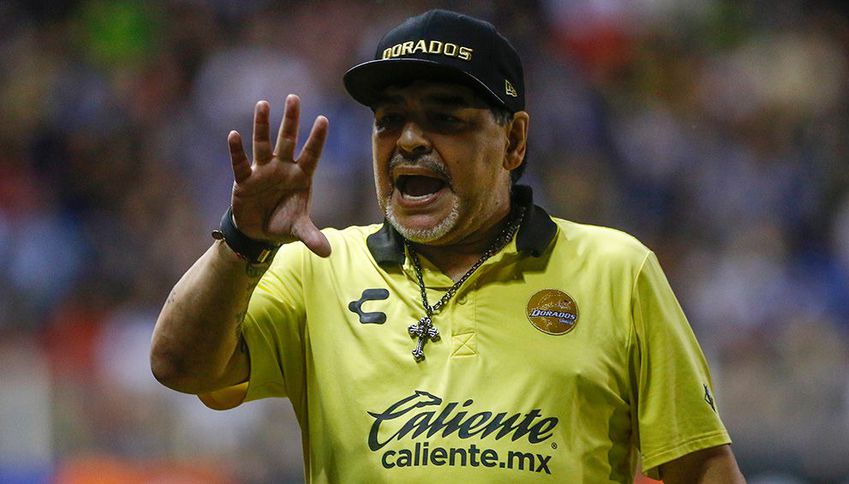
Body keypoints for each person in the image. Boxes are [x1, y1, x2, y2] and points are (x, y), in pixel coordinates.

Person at [151, 9, 745, 483]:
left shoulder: (617, 271)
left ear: (514, 141)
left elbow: (703, 469)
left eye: (446, 119)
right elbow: (179, 367)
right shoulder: (319, 268)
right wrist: (242, 240)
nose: (410, 140)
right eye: (389, 120)